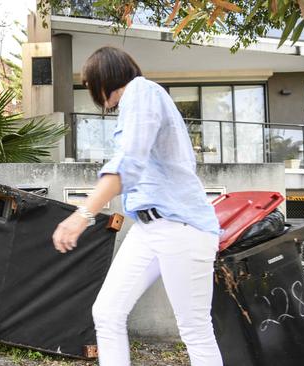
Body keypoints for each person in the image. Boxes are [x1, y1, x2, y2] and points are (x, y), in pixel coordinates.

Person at [51, 46, 223, 366]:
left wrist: (82, 214)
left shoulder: (141, 92)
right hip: (148, 227)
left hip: (180, 226)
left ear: (103, 80)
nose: (92, 94)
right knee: (107, 312)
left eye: (90, 86)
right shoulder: (138, 101)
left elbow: (128, 162)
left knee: (194, 328)